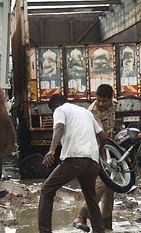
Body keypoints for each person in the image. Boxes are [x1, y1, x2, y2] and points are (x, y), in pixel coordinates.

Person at [38, 94, 106, 233]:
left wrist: (51, 151)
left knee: (46, 190)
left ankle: (44, 231)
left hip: (74, 158)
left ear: (54, 107)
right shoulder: (86, 112)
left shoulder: (60, 110)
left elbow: (59, 128)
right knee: (91, 198)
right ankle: (100, 230)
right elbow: (102, 136)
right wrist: (98, 152)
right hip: (92, 162)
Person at [73, 84, 116, 232]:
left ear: (111, 98)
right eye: (98, 100)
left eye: (104, 101)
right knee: (103, 183)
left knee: (111, 188)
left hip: (109, 149)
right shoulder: (92, 111)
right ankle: (81, 215)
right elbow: (100, 135)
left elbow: (113, 129)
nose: (101, 104)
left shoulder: (115, 105)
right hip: (94, 149)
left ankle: (106, 225)